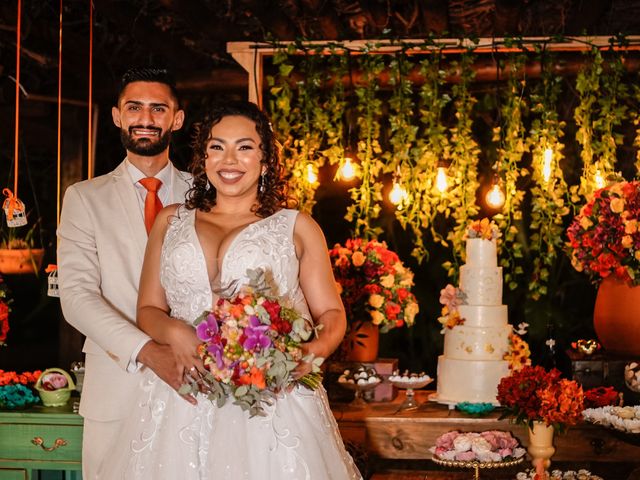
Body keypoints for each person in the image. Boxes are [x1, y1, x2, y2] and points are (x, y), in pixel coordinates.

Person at [99, 100, 362, 479]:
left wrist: (311, 352)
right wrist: (175, 331)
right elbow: (148, 309)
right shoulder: (171, 220)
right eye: (217, 147)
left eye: (245, 147)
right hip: (182, 394)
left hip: (272, 398)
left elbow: (333, 315)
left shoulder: (296, 226)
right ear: (204, 159)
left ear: (265, 160)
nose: (229, 159)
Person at [57, 67, 192, 479]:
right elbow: (77, 298)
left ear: (176, 119)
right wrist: (147, 351)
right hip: (116, 385)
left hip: (193, 381)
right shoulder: (84, 198)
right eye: (134, 108)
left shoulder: (204, 194)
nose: (146, 119)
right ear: (117, 116)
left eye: (158, 109)